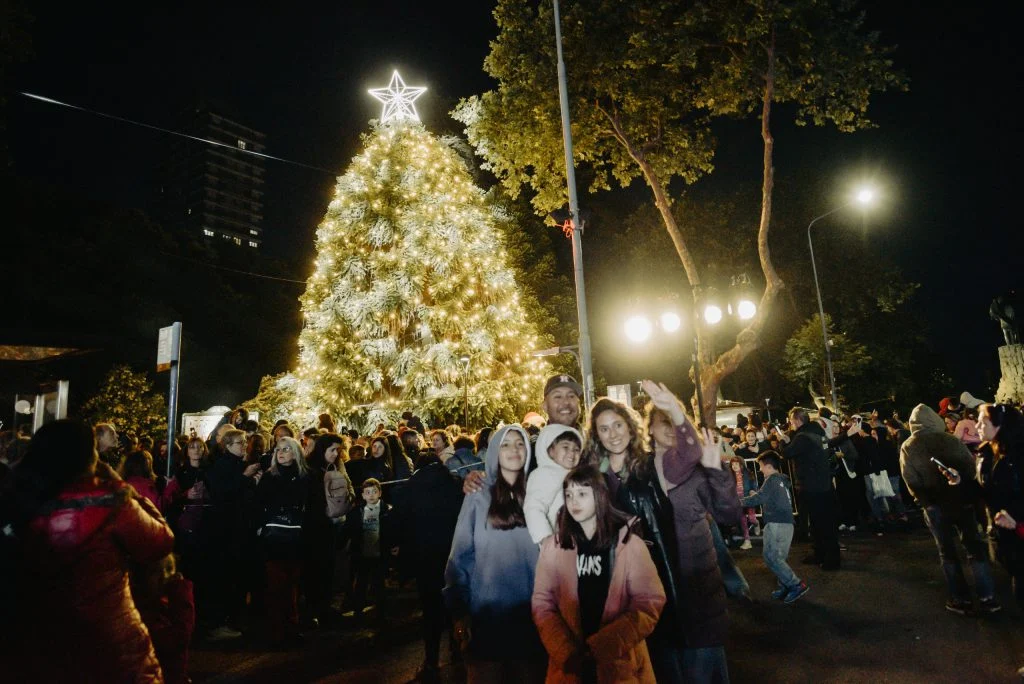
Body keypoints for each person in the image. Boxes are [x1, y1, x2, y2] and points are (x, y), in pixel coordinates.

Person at [5, 419, 175, 682]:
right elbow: (160, 541)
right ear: (89, 456)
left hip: (35, 642)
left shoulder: (15, 501)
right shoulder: (112, 502)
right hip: (109, 640)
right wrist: (128, 492)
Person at [532, 465, 666, 683]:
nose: (573, 501)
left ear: (600, 496)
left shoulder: (628, 545)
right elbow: (542, 603)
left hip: (620, 666)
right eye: (569, 495)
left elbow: (649, 601)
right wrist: (564, 650)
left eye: (582, 493)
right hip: (569, 668)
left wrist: (606, 645)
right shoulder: (553, 547)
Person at [645, 380, 740, 683]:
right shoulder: (640, 471)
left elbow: (728, 514)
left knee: (702, 669)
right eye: (662, 421)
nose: (669, 427)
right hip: (658, 589)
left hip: (699, 585)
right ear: (648, 428)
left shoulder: (697, 466)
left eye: (674, 420)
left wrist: (715, 469)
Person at [444, 424, 546, 682]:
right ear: (493, 453)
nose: (514, 449)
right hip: (487, 618)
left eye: (520, 443)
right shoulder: (477, 495)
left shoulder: (538, 493)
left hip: (533, 619)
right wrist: (459, 609)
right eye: (506, 444)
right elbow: (461, 555)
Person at [899, 403, 998, 615]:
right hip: (961, 500)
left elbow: (911, 479)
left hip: (935, 505)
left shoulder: (909, 446)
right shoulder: (951, 439)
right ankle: (987, 596)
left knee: (947, 552)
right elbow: (970, 468)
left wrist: (924, 502)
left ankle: (960, 599)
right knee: (974, 547)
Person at [393, 452, 464, 683]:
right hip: (452, 554)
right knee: (454, 606)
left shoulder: (410, 488)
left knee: (430, 610)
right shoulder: (454, 485)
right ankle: (457, 650)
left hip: (424, 557)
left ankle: (432, 659)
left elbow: (400, 522)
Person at [256, 435, 309, 646]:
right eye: (279, 449)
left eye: (287, 449)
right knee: (276, 583)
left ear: (295, 452)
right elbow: (259, 504)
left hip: (297, 536)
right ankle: (277, 631)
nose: (281, 452)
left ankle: (292, 627)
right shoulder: (270, 477)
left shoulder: (305, 477)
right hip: (274, 537)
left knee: (292, 583)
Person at [775, 407, 841, 570]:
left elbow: (786, 453)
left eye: (791, 422)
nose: (791, 425)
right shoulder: (817, 432)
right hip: (823, 483)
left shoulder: (803, 437)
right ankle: (821, 554)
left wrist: (782, 440)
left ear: (797, 420)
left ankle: (830, 559)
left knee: (821, 523)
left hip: (812, 485)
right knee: (823, 522)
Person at [740, 451, 808, 603]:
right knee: (778, 558)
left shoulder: (771, 480)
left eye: (761, 467)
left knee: (771, 557)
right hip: (786, 524)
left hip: (777, 523)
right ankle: (786, 585)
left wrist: (738, 501)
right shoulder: (782, 480)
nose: (760, 470)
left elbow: (759, 498)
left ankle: (795, 584)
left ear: (769, 466)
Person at [977, 404, 1024, 611]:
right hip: (1007, 538)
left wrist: (1015, 515)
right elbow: (990, 492)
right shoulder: (989, 453)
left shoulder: (1017, 456)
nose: (976, 425)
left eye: (983, 422)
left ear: (1001, 427)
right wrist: (960, 480)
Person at [304, 433, 354, 626]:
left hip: (332, 524)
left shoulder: (335, 466)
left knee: (328, 567)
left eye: (338, 450)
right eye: (332, 450)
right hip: (315, 526)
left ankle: (324, 607)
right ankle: (312, 609)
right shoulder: (311, 470)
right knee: (315, 568)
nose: (336, 453)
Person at [131, 553, 196, 684]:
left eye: (169, 569)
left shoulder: (164, 604)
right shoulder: (145, 612)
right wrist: (182, 592)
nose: (165, 576)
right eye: (155, 571)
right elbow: (179, 637)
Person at [343, 478, 396, 619]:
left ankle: (381, 612)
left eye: (374, 491)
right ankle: (358, 610)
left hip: (380, 552)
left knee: (379, 583)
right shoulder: (356, 512)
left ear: (380, 493)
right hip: (362, 553)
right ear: (363, 495)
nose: (371, 495)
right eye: (367, 492)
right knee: (361, 582)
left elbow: (392, 530)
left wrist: (394, 544)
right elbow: (349, 529)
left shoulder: (387, 511)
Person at [524, 424, 584, 544]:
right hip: (557, 544)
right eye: (565, 447)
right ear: (550, 450)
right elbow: (533, 508)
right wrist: (546, 540)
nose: (571, 453)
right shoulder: (544, 474)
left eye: (576, 449)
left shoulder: (575, 475)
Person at [728, 455, 759, 549]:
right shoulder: (729, 476)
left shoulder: (748, 473)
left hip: (748, 500)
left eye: (736, 464)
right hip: (738, 502)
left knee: (752, 519)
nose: (734, 466)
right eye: (732, 464)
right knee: (743, 521)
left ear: (741, 464)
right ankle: (747, 541)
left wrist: (753, 490)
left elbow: (754, 484)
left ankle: (756, 524)